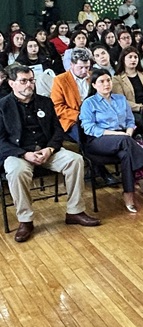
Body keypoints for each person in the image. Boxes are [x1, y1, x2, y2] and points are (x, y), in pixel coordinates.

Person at [0, 64, 100, 242]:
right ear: (11, 84)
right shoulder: (3, 106)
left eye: (31, 80)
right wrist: (24, 154)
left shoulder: (45, 102)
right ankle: (26, 220)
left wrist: (50, 149)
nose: (29, 85)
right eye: (23, 81)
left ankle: (75, 211)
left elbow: (58, 131)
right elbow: (1, 140)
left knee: (75, 160)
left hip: (47, 150)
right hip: (18, 153)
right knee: (16, 171)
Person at [79, 69, 143, 213]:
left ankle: (128, 194)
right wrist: (119, 135)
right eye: (102, 81)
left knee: (126, 154)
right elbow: (89, 128)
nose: (106, 84)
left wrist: (128, 133)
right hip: (98, 140)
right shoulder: (89, 103)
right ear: (94, 85)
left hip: (124, 139)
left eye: (108, 80)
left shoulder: (120, 99)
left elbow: (130, 120)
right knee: (125, 141)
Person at [113, 46, 143, 116]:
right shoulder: (117, 78)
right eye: (130, 57)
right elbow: (121, 101)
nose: (133, 60)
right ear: (123, 59)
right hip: (132, 112)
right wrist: (140, 107)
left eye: (135, 57)